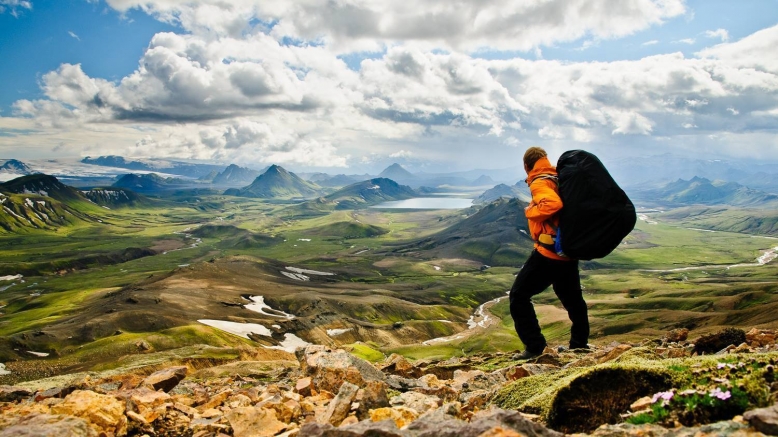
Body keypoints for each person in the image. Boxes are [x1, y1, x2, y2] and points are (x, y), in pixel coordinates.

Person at [509, 146, 589, 360]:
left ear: (526, 166)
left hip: (549, 253)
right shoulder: (557, 176)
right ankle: (579, 345)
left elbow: (553, 204)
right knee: (573, 300)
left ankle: (534, 346)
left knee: (518, 296)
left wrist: (530, 211)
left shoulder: (540, 181)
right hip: (567, 251)